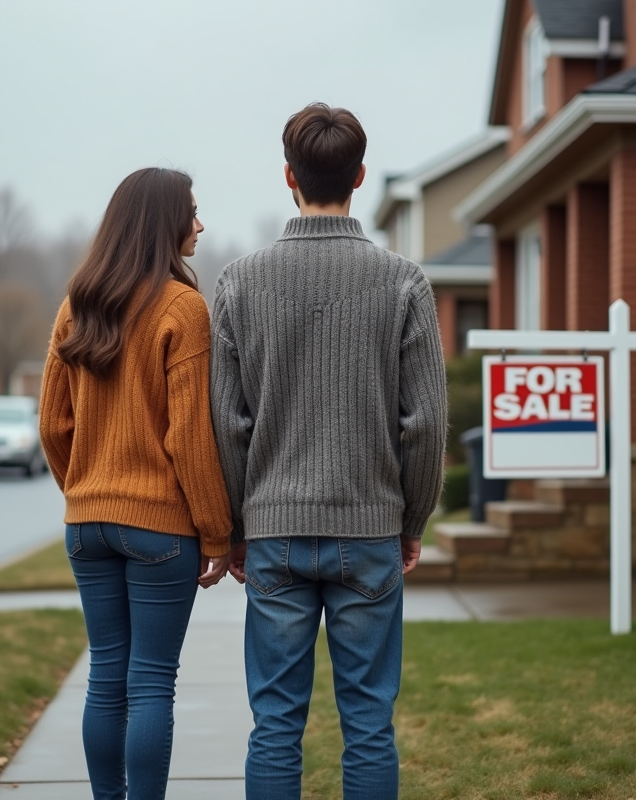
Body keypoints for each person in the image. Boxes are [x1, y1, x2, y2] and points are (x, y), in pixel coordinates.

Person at [210, 103, 447, 800]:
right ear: (361, 177)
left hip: (275, 534)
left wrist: (236, 528)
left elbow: (229, 422)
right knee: (369, 722)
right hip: (370, 531)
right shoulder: (405, 282)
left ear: (289, 176)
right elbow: (427, 422)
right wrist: (413, 520)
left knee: (275, 724)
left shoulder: (239, 282)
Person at [39, 167, 233, 800]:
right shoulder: (184, 307)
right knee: (151, 682)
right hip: (159, 529)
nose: (200, 225)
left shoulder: (77, 303)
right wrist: (216, 533)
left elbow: (53, 424)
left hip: (85, 524)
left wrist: (86, 489)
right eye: (192, 213)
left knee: (106, 678)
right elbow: (190, 438)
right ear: (162, 222)